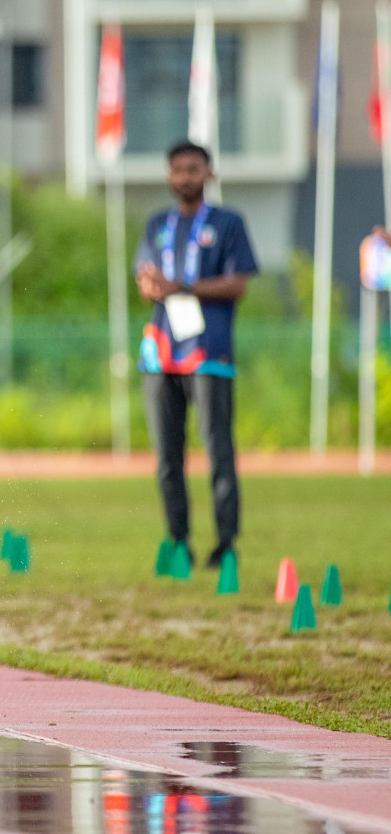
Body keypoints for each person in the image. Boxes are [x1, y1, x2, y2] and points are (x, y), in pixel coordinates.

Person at [135, 141, 256, 570]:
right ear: (169, 177)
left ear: (209, 174)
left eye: (194, 169)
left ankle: (225, 544)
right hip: (161, 353)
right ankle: (177, 540)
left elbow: (238, 284)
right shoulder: (156, 225)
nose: (186, 176)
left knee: (217, 450)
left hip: (209, 352)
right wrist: (154, 288)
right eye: (178, 170)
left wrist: (182, 288)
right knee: (167, 456)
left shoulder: (227, 224)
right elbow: (145, 279)